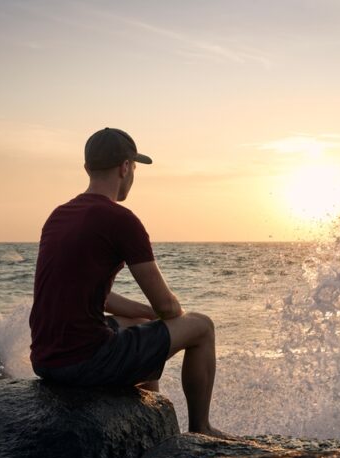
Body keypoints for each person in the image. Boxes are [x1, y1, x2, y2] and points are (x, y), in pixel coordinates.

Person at [29, 127, 225, 437]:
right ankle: (201, 429)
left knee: (135, 321)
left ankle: (153, 411)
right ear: (125, 167)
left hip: (45, 360)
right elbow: (167, 305)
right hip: (84, 362)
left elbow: (97, 296)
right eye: (133, 168)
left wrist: (147, 316)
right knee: (202, 327)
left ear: (87, 168)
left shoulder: (59, 215)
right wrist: (173, 318)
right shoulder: (120, 219)